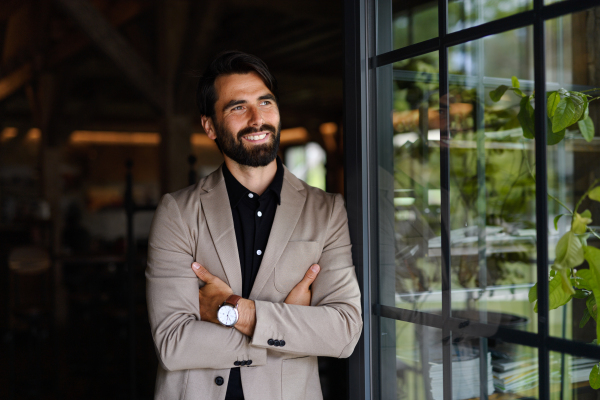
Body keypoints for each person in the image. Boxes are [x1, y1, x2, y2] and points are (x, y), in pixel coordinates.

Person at [146, 50, 362, 400]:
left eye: (265, 102)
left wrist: (231, 310)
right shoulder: (178, 212)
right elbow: (173, 344)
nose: (257, 118)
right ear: (210, 126)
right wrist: (289, 328)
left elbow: (343, 333)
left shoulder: (326, 210)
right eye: (237, 107)